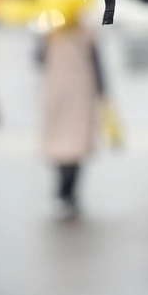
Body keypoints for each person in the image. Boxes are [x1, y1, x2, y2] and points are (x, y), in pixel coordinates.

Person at [39, 14, 106, 219]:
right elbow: (98, 67)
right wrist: (103, 92)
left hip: (61, 93)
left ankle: (64, 189)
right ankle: (67, 190)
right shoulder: (82, 33)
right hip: (77, 92)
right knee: (73, 145)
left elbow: (38, 60)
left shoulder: (53, 34)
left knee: (65, 145)